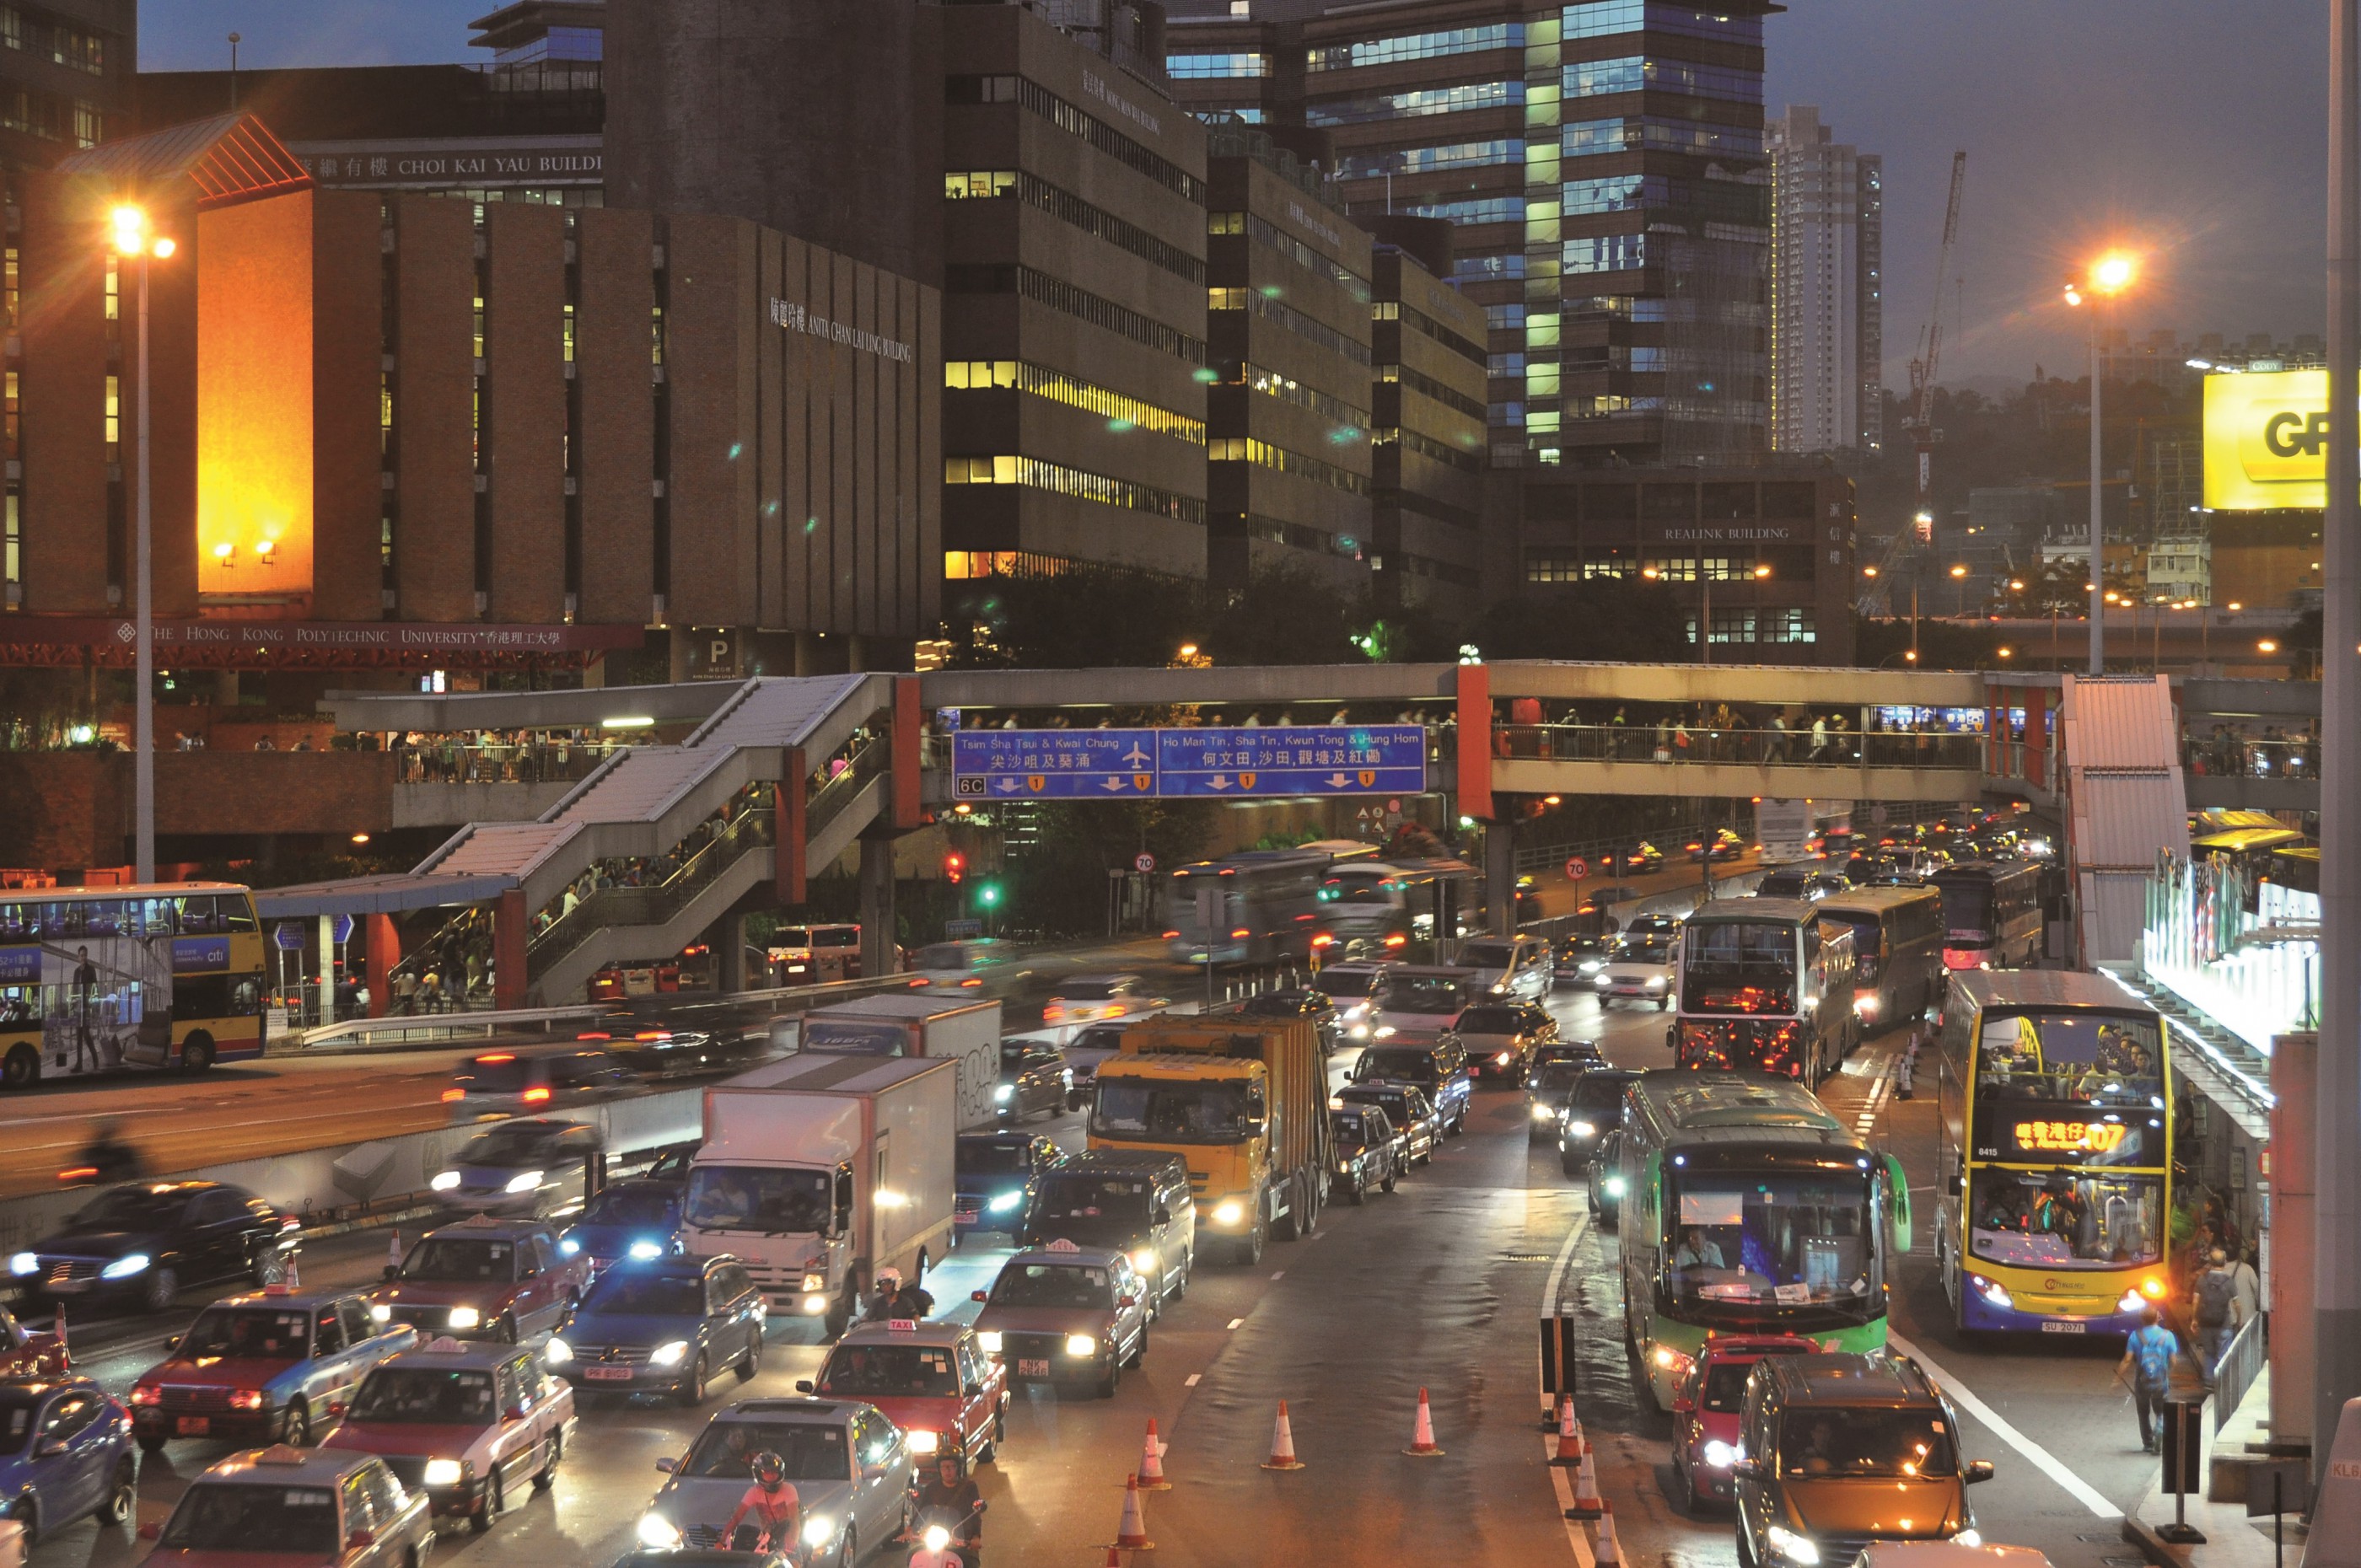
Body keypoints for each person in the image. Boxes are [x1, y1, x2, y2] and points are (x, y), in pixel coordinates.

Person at [2121, 1306, 2181, 1453]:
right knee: (2161, 1410)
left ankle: (2148, 1443)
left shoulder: (2135, 1335)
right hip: (2161, 1381)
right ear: (2157, 1317)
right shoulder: (2168, 1336)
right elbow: (2173, 1361)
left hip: (2142, 1381)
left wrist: (2118, 1377)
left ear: (2142, 1319)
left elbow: (2128, 1359)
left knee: (2143, 1412)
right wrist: (2168, 1372)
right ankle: (2160, 1426)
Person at [2191, 1247, 2252, 1385]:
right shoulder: (2229, 1281)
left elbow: (2195, 1301)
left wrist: (2194, 1319)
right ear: (2224, 1262)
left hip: (2205, 1323)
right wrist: (2239, 1319)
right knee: (2223, 1354)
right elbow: (2237, 1304)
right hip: (2224, 1323)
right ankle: (2221, 1383)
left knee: (2209, 1353)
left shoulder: (2202, 1280)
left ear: (2210, 1263)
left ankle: (2208, 1381)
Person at [911, 1454, 985, 1567]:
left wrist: (976, 1537)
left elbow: (976, 1514)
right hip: (936, 1537)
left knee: (971, 1563)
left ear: (959, 1468)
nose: (948, 1470)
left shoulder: (969, 1487)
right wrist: (910, 1529)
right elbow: (921, 1509)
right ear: (939, 1469)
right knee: (912, 1556)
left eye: (952, 1466)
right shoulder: (932, 1487)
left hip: (962, 1540)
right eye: (943, 1467)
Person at [720, 1450, 799, 1553]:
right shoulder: (754, 1492)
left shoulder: (789, 1489)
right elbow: (737, 1518)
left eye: (774, 1473)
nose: (771, 1476)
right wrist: (722, 1539)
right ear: (759, 1474)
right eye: (767, 1473)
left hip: (787, 1540)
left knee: (794, 1563)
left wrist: (792, 1538)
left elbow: (794, 1518)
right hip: (766, 1541)